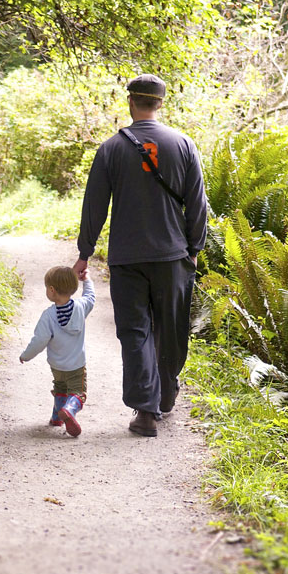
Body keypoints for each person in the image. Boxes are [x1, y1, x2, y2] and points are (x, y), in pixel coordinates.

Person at [74, 74, 207, 437]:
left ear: (130, 101)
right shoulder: (184, 144)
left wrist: (84, 253)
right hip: (173, 258)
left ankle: (146, 409)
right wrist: (195, 248)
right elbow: (197, 204)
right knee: (171, 329)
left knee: (135, 332)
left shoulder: (111, 149)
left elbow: (94, 207)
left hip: (127, 258)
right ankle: (164, 394)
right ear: (160, 103)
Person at [18, 266, 97, 437]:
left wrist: (26, 355)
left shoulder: (48, 316)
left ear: (52, 290)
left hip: (56, 366)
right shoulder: (81, 307)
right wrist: (87, 280)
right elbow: (90, 297)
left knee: (60, 387)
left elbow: (39, 341)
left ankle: (57, 417)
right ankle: (69, 409)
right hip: (76, 365)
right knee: (78, 393)